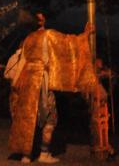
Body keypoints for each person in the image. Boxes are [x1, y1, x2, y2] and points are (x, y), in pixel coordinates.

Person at [8, 11, 96, 164]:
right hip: (42, 81)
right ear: (41, 22)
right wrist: (85, 35)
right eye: (43, 18)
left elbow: (22, 62)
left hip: (28, 81)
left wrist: (15, 84)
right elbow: (68, 43)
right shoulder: (48, 35)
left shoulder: (28, 39)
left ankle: (26, 156)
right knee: (50, 119)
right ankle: (43, 153)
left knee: (29, 118)